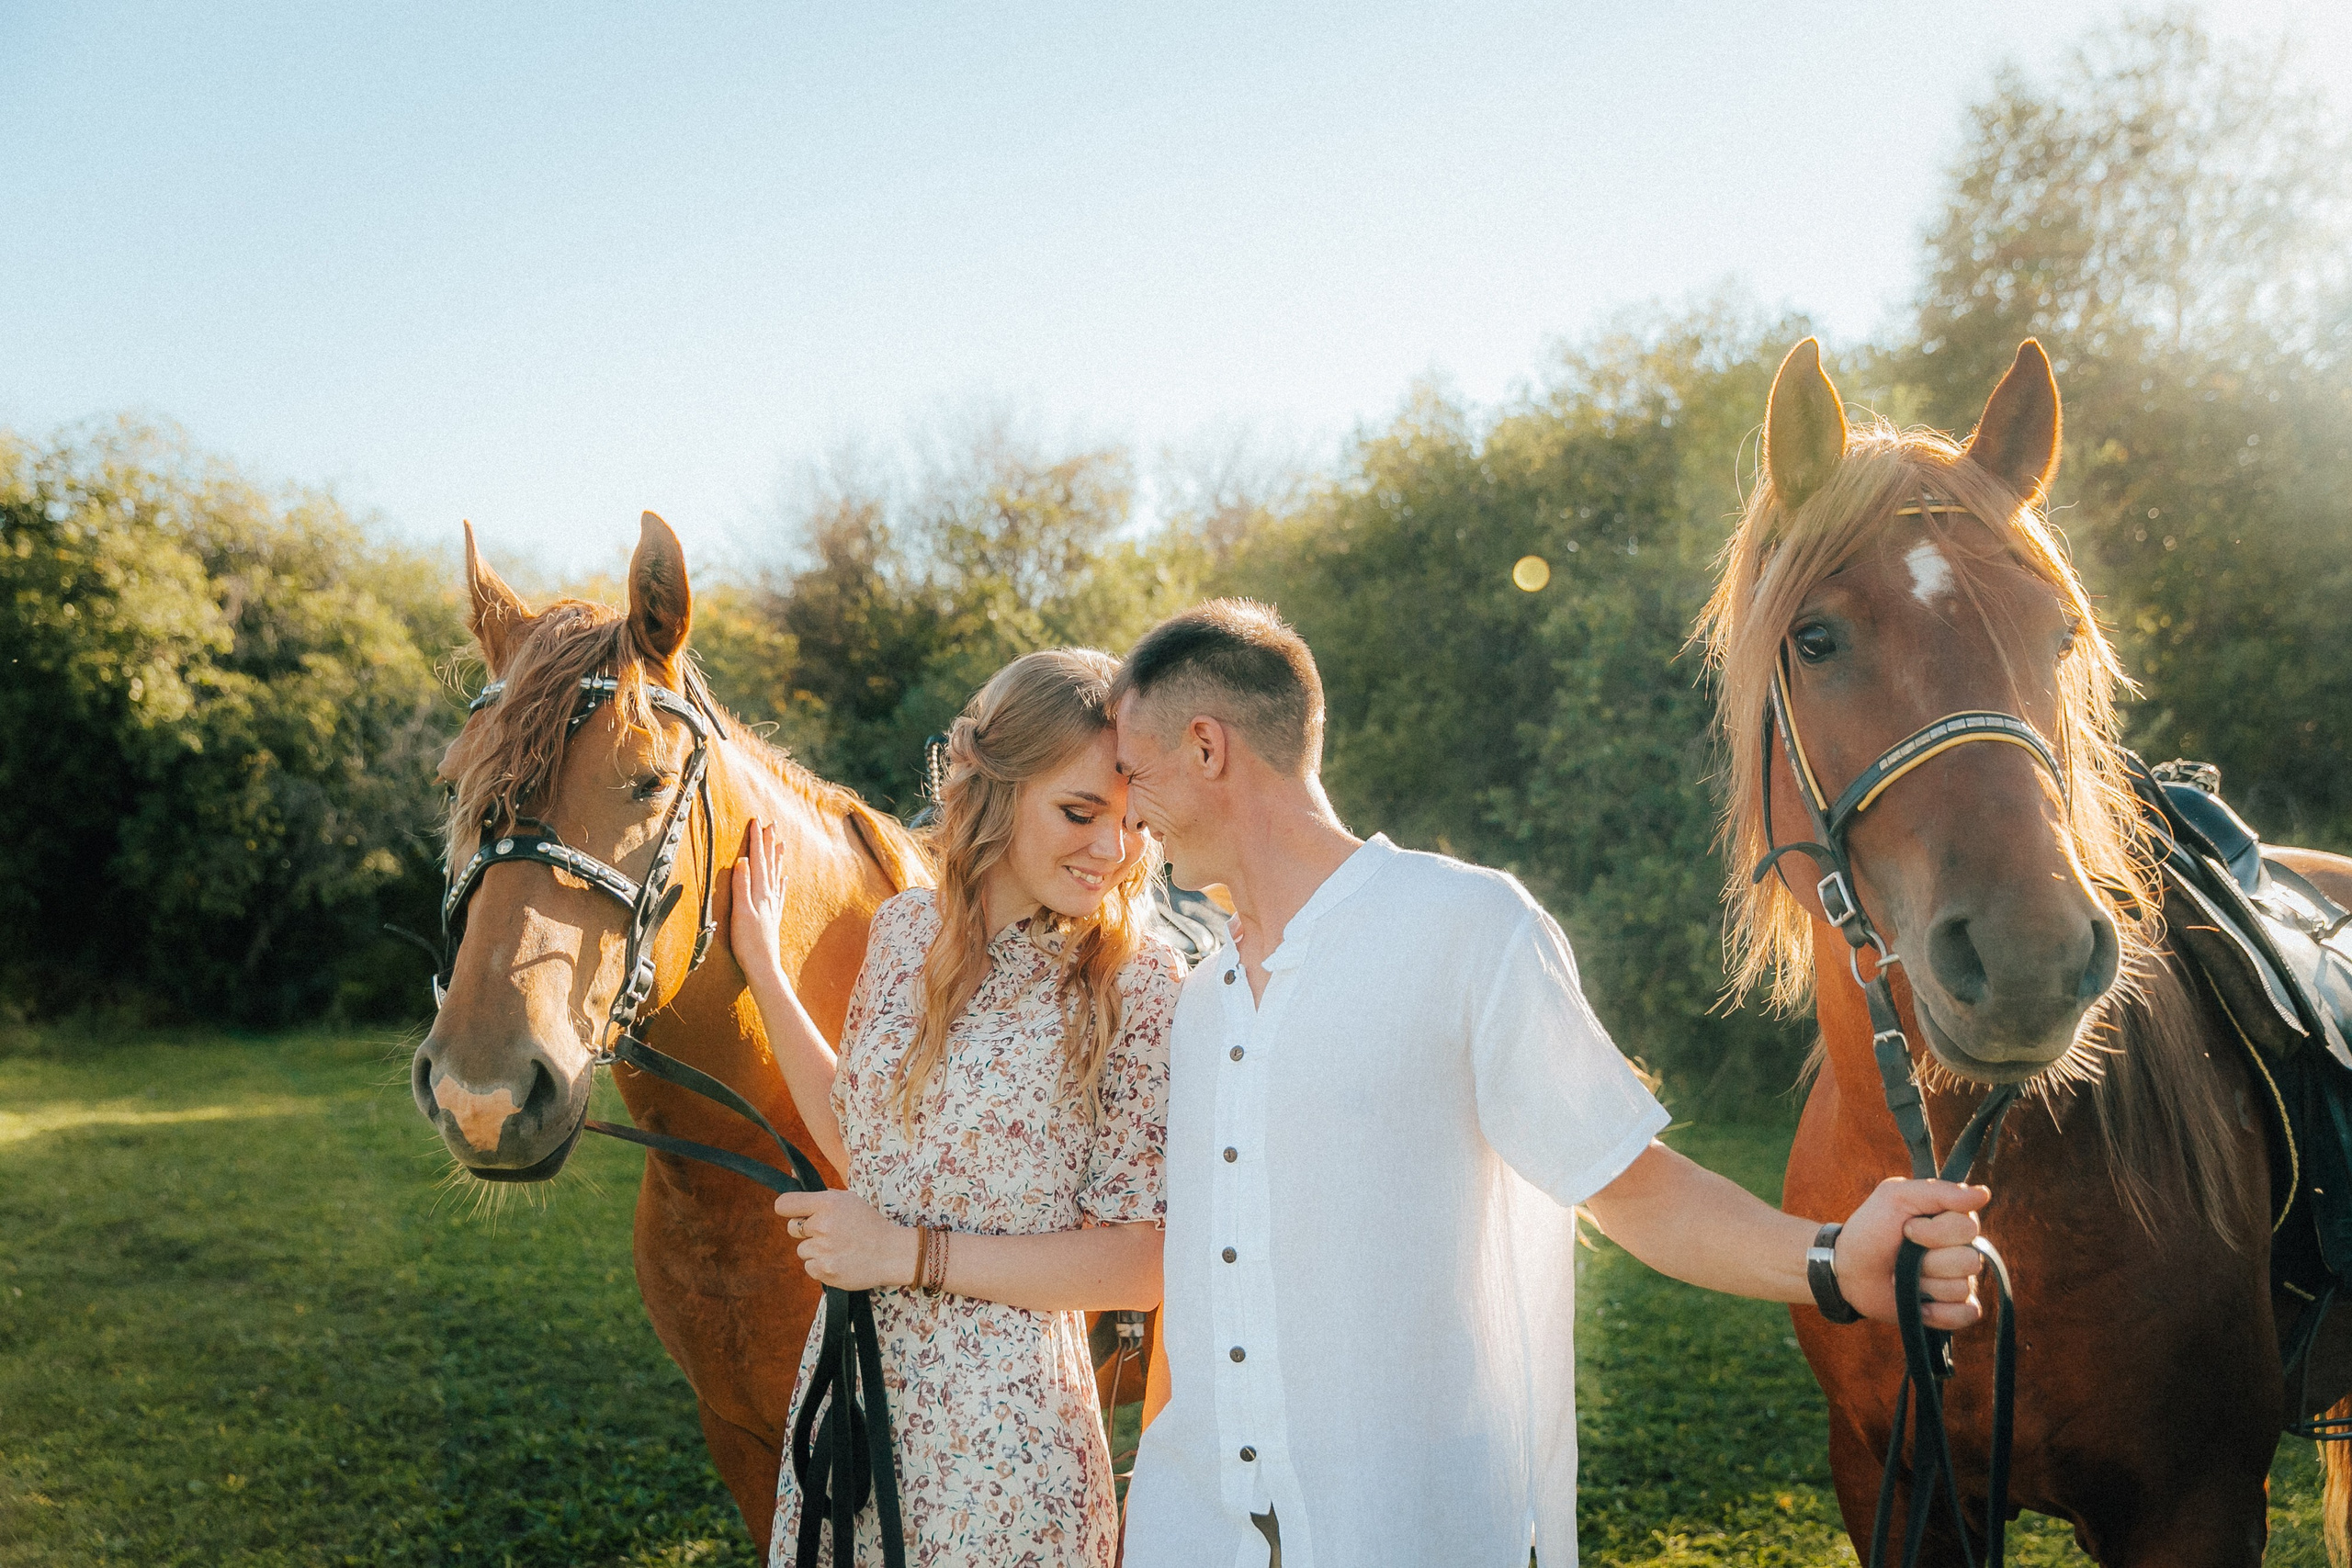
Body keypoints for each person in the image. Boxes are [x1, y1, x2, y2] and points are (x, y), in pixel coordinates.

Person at [1110, 600, 1991, 1568]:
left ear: (1206, 747)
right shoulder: (1200, 1001)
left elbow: (1631, 1186)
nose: (1128, 810)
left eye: (1133, 771)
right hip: (1194, 1532)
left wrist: (1831, 1263)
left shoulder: (1466, 927)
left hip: (1401, 1528)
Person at [729, 648, 1184, 1568]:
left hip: (1005, 1447)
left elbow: (1142, 1263)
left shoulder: (1135, 984)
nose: (1111, 849)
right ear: (988, 783)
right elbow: (867, 1147)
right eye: (1079, 810)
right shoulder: (903, 932)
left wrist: (904, 1254)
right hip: (853, 1401)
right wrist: (766, 972)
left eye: (1132, 821)